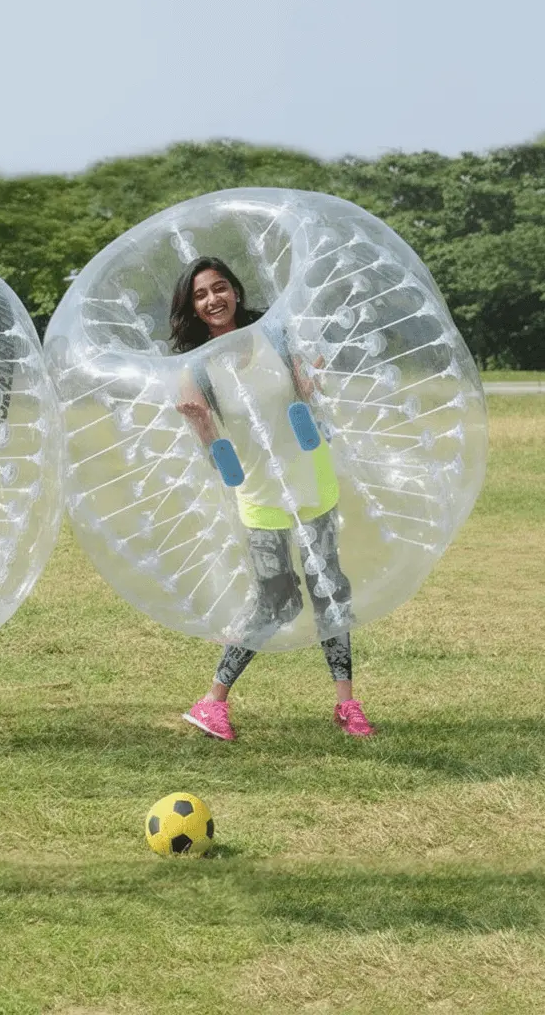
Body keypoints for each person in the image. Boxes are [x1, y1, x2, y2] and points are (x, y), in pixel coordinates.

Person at [171, 257, 374, 740]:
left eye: (220, 288)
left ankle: (347, 704)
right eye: (201, 295)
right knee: (276, 600)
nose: (213, 299)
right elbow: (219, 463)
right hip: (260, 493)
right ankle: (211, 704)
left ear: (236, 292)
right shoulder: (196, 370)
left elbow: (308, 402)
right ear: (193, 308)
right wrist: (200, 425)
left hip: (311, 479)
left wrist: (312, 382)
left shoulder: (275, 335)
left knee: (328, 586)